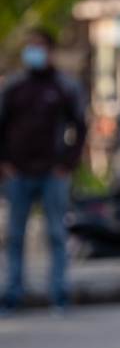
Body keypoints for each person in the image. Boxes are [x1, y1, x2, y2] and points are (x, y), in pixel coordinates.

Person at [0, 28, 86, 314]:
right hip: (18, 174)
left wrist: (66, 163)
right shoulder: (14, 87)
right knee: (15, 236)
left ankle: (59, 294)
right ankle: (12, 294)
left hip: (52, 173)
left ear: (50, 50)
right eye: (30, 46)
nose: (33, 52)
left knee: (56, 234)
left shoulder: (64, 86)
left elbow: (80, 127)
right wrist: (5, 162)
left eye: (39, 46)